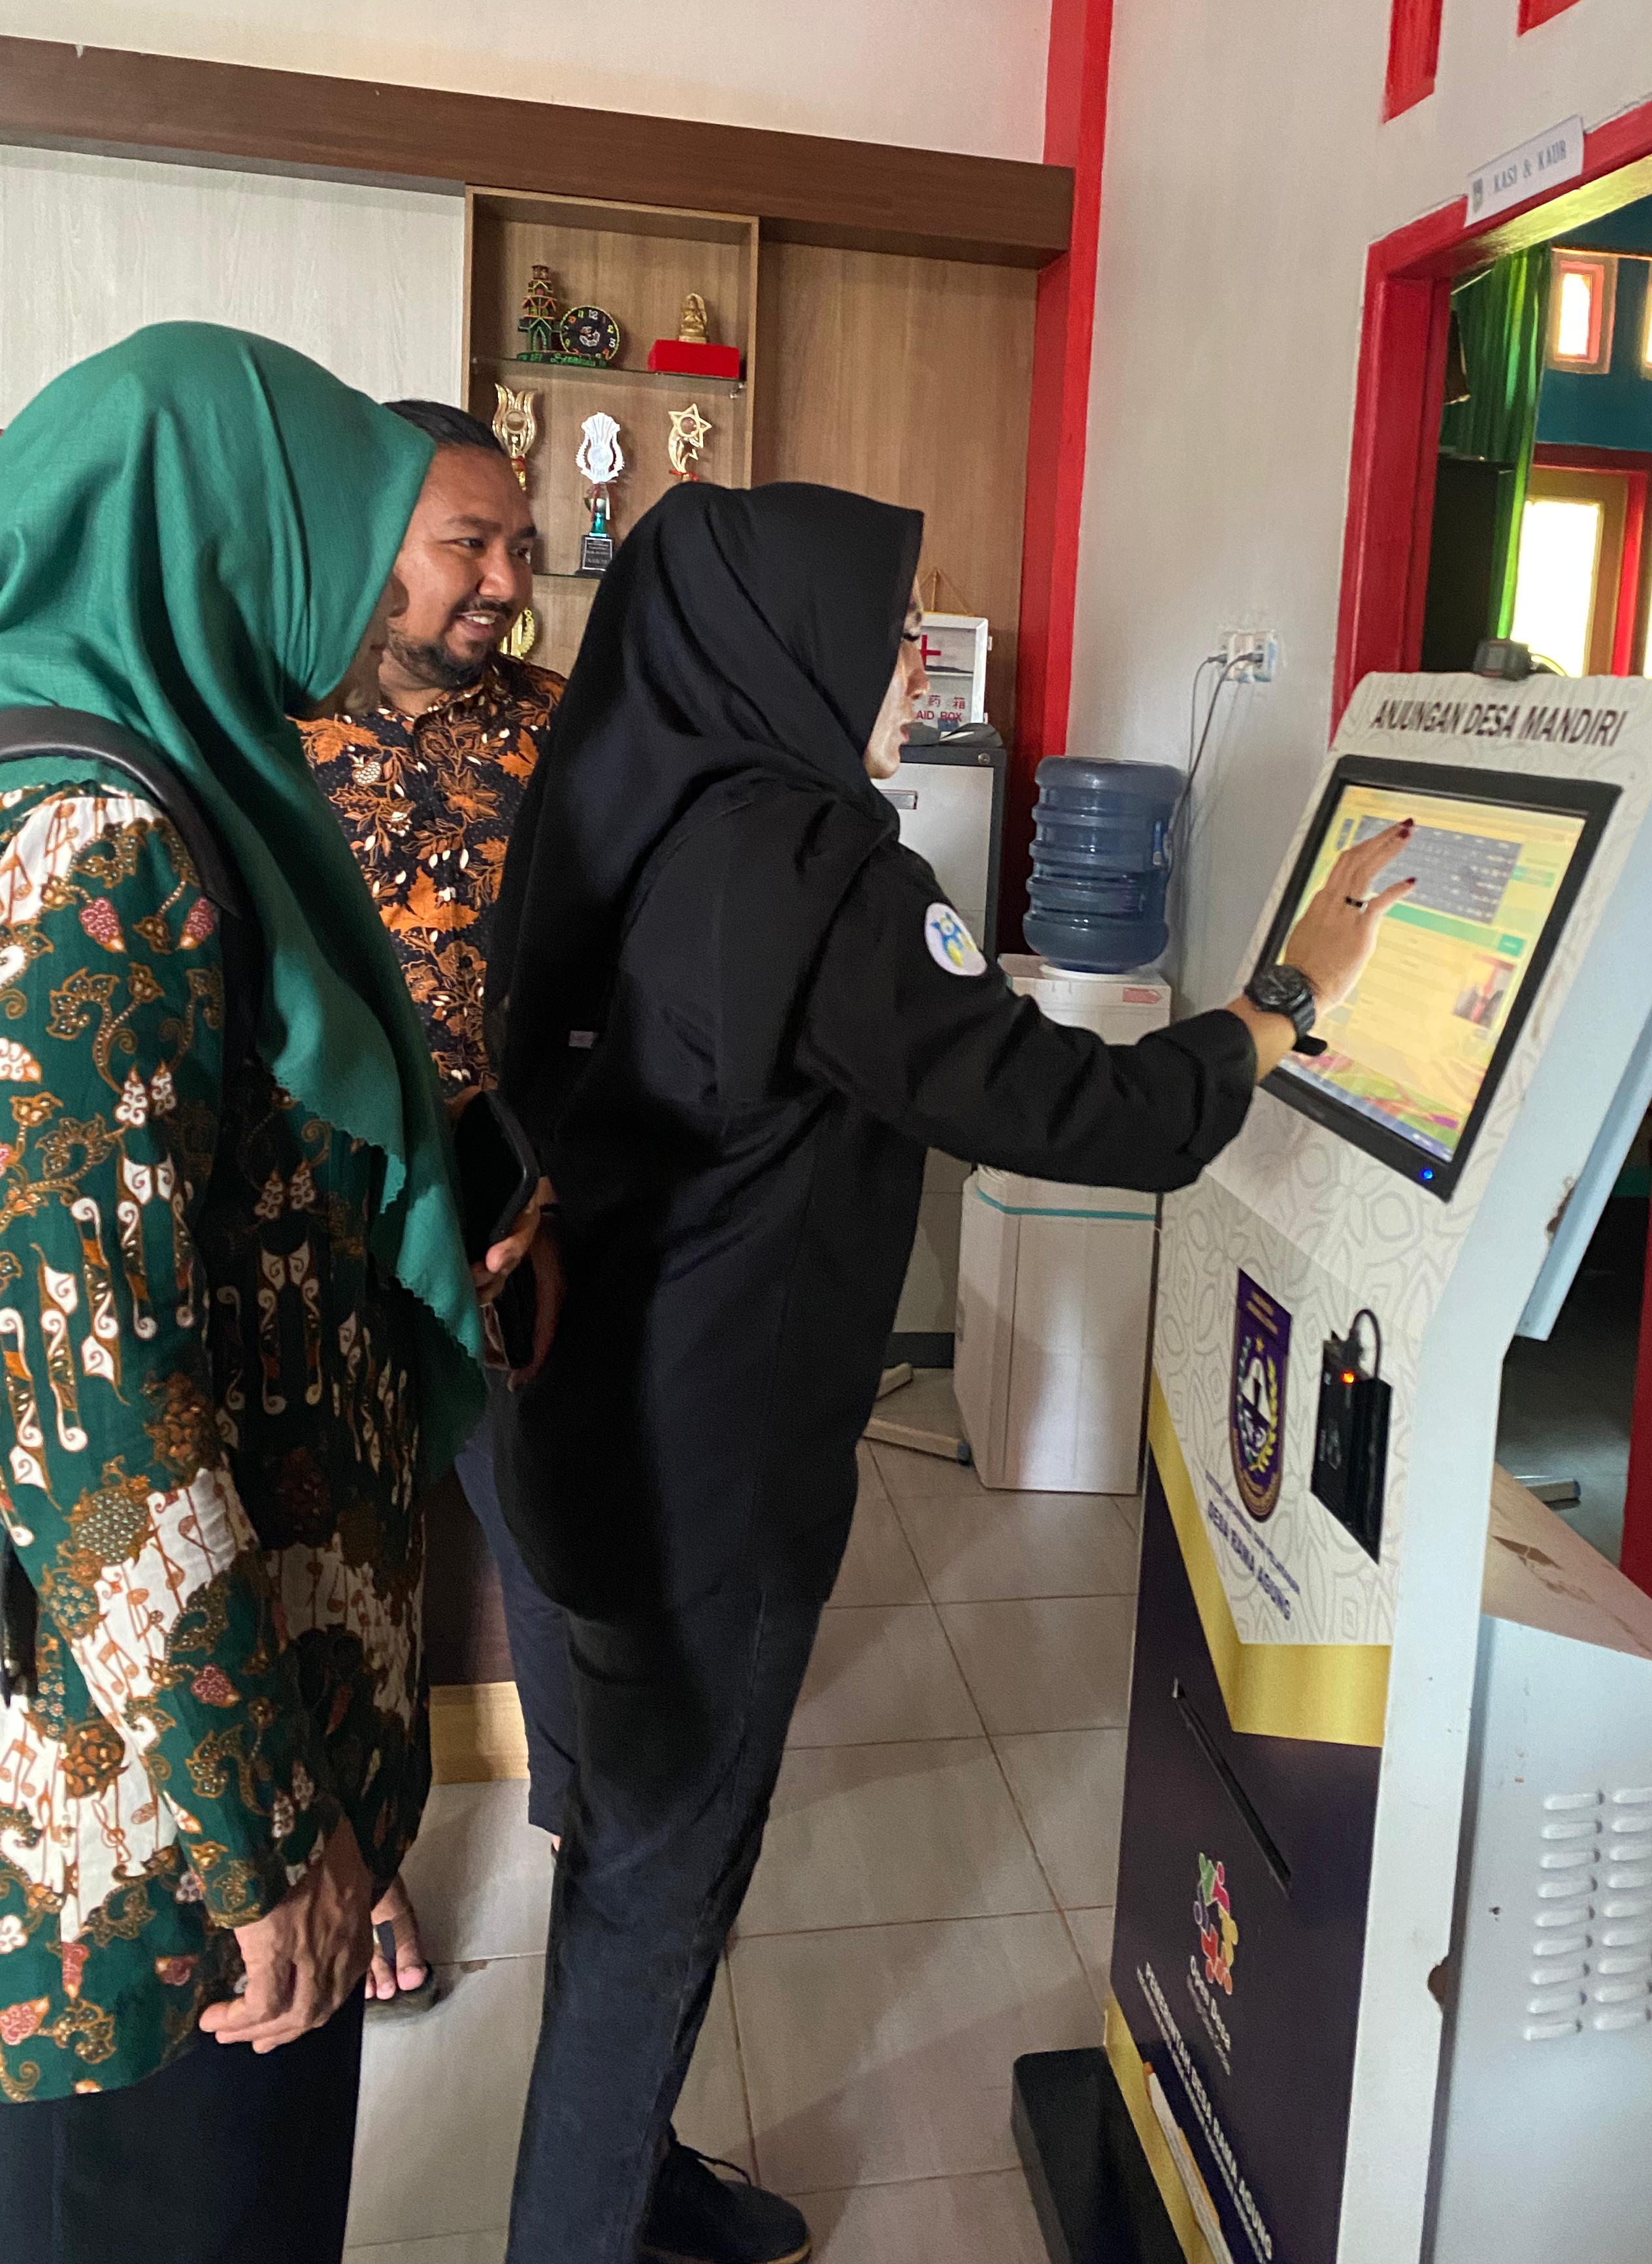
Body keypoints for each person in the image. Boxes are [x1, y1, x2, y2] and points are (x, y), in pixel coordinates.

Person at [487, 480, 1413, 2264]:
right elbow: (1076, 1109)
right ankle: (584, 2227)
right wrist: (1285, 1003)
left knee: (631, 1845)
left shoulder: (641, 806)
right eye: (894, 624)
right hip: (716, 1465)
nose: (919, 659)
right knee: (658, 1879)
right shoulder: (818, 869)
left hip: (597, 1429)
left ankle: (631, 2181)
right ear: (789, 642)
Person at [0, 324, 535, 2264]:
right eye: (343, 534)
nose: (366, 591)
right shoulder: (104, 857)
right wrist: (269, 1840)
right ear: (219, 535)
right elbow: (99, 1422)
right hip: (165, 1840)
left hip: (228, 1749)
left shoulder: (166, 792)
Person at [299, 401, 577, 2009]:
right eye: (468, 543)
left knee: (544, 1514)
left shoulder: (562, 730)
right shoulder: (264, 726)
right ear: (375, 542)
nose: (504, 582)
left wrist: (555, 1192)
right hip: (318, 1206)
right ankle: (364, 1864)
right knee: (337, 1537)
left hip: (501, 1189)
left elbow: (619, 979)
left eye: (518, 547)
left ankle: (589, 1828)